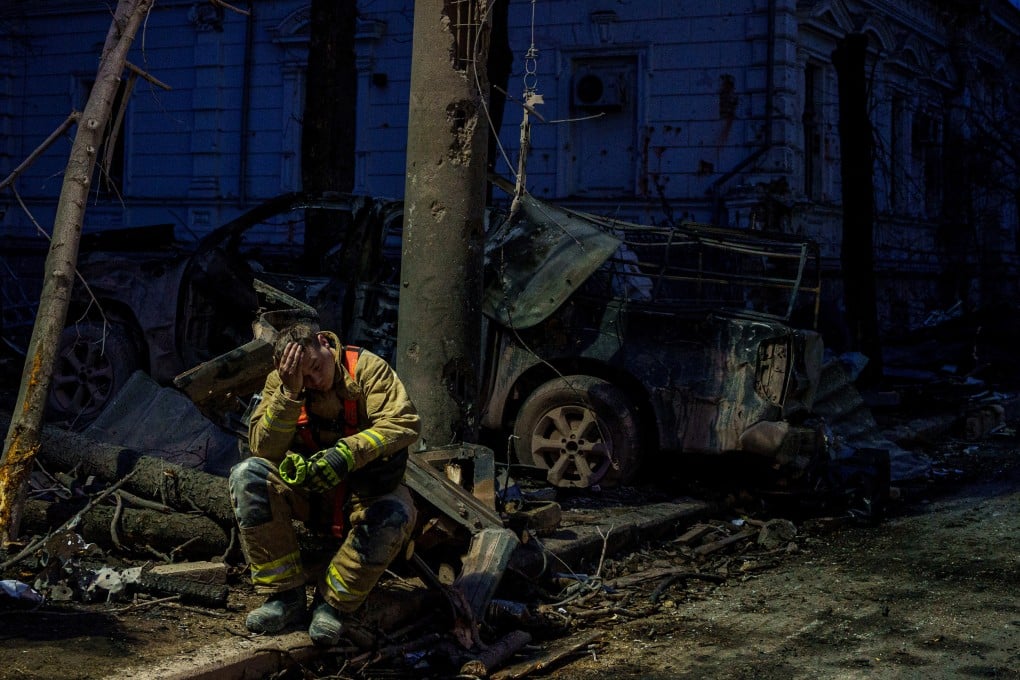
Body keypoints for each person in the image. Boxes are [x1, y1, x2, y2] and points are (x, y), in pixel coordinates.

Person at [228, 321, 420, 646]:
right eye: (304, 377)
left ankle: (331, 605)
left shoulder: (367, 368)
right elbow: (263, 448)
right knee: (248, 475)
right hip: (310, 492)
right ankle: (284, 598)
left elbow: (404, 422)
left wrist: (347, 453)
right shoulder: (282, 381)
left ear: (324, 342)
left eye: (316, 368)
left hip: (364, 492)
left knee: (395, 513)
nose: (314, 381)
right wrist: (290, 394)